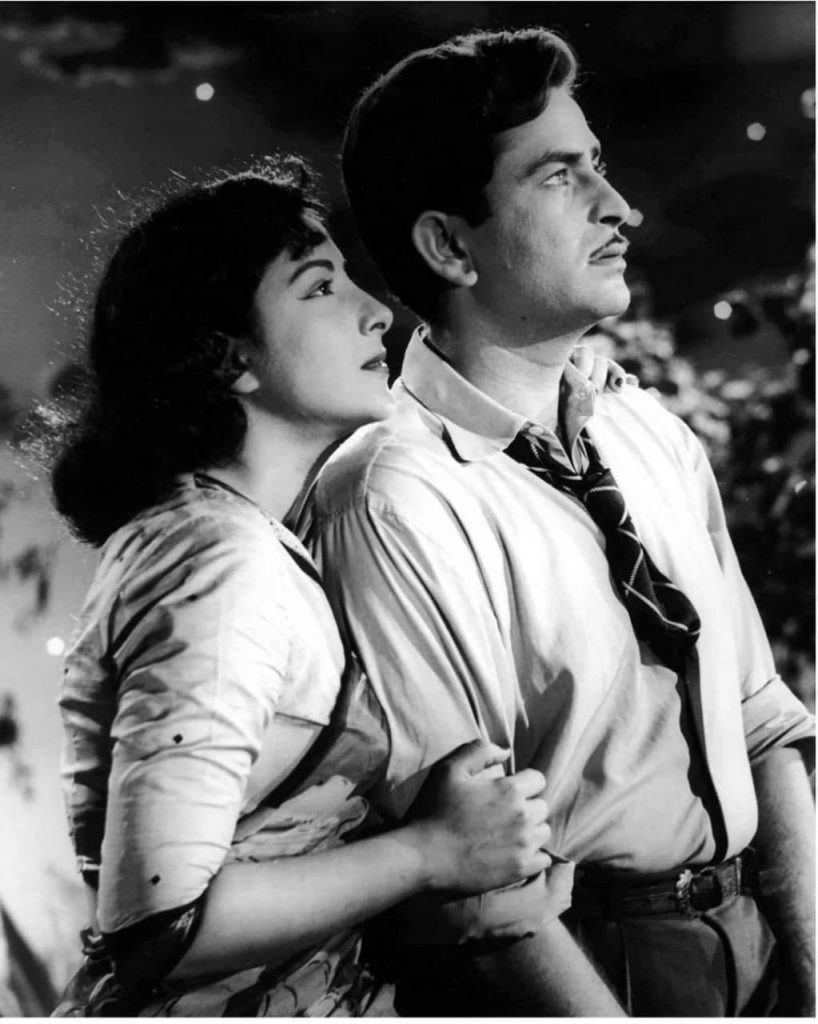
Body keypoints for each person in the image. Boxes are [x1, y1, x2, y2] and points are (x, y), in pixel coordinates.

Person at [300, 28, 816, 1017]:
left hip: (755, 934)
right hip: (590, 967)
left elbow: (761, 722)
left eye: (599, 165)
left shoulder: (643, 428)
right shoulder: (392, 499)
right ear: (449, 245)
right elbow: (482, 889)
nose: (618, 206)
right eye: (557, 177)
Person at [49, 158, 557, 1017]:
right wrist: (433, 852)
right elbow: (160, 924)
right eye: (321, 287)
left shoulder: (238, 538)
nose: (376, 310)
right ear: (229, 356)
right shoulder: (217, 562)